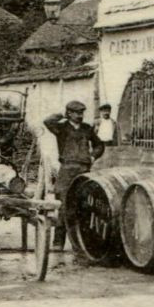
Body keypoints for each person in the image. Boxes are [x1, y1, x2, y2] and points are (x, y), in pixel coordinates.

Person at [43, 100, 105, 247]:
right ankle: (58, 242)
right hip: (67, 168)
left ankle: (80, 244)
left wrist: (93, 156)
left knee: (83, 204)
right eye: (77, 113)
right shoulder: (61, 128)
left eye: (82, 113)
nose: (80, 115)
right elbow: (47, 121)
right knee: (63, 204)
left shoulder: (87, 128)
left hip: (84, 169)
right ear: (69, 113)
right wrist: (61, 114)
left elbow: (99, 145)